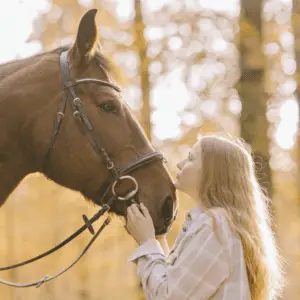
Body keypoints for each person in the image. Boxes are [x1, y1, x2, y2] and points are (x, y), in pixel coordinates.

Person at [125, 134, 284, 300]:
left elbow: (168, 296)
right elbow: (174, 281)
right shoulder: (218, 224)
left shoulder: (215, 226)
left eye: (191, 159)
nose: (180, 165)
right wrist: (158, 239)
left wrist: (147, 242)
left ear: (214, 172)